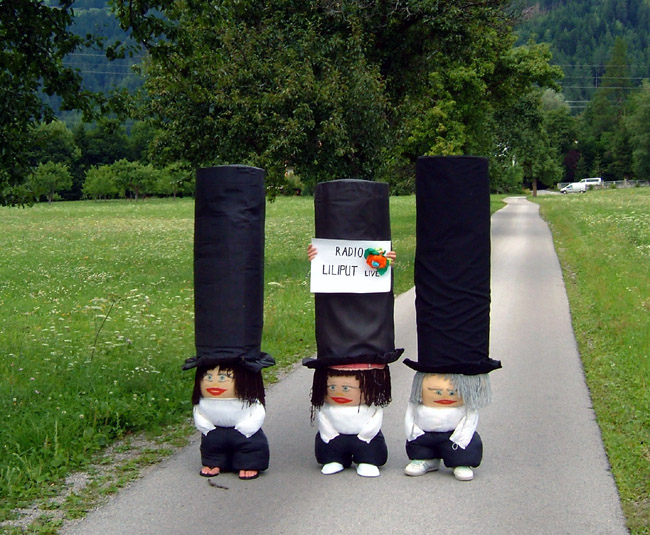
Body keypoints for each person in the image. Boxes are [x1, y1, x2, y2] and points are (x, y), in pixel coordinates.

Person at [404, 372, 491, 481]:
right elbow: (410, 417)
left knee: (466, 446)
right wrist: (413, 433)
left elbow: (470, 421)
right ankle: (426, 459)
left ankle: (461, 463)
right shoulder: (415, 405)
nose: (444, 396)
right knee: (419, 444)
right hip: (424, 434)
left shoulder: (466, 409)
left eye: (452, 393)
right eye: (437, 392)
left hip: (454, 435)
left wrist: (462, 438)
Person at [192, 362, 270, 480]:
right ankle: (214, 463)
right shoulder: (202, 402)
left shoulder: (250, 402)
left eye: (222, 378)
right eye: (208, 378)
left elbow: (258, 412)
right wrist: (205, 426)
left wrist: (248, 427)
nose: (214, 384)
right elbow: (198, 412)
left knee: (251, 447)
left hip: (244, 432)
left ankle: (248, 464)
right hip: (214, 431)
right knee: (212, 447)